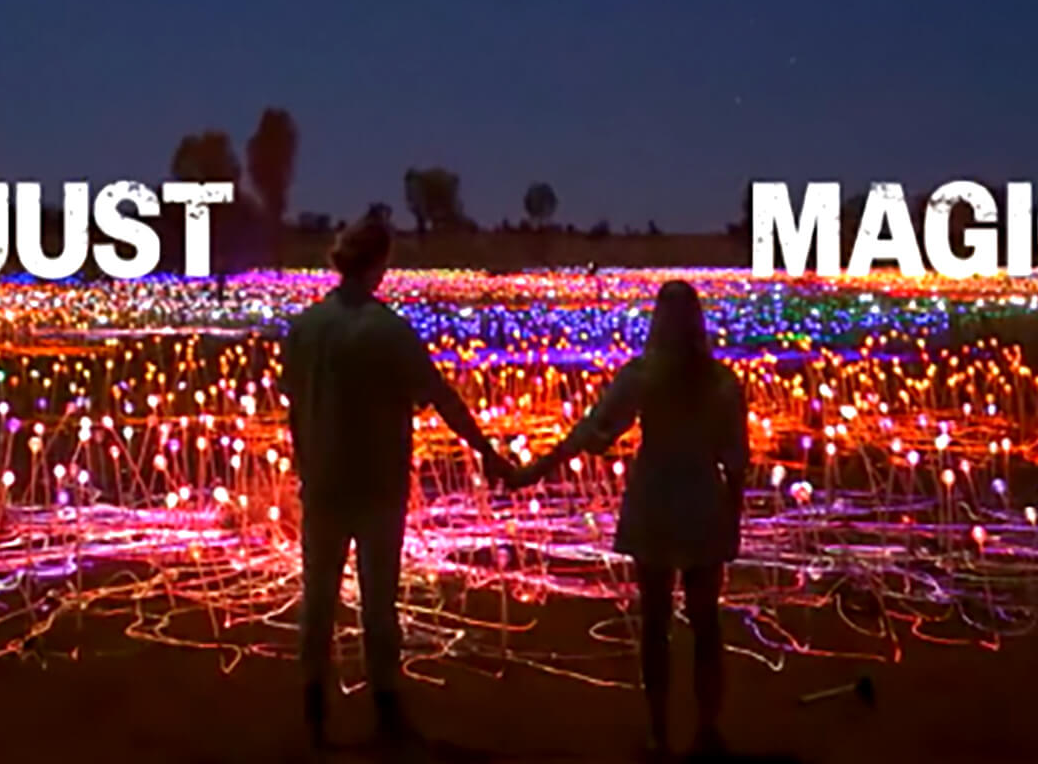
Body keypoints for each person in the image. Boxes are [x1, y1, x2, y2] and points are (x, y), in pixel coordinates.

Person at [280, 216, 514, 749]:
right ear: (379, 264)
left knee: (317, 599)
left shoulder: (305, 328)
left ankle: (313, 707)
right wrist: (488, 455)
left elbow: (294, 400)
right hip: (377, 483)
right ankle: (386, 710)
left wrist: (307, 462)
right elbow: (441, 396)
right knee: (379, 603)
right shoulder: (387, 330)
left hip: (322, 481)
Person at [508, 280, 747, 756]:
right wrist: (732, 517)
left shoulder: (642, 375)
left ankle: (659, 731)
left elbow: (594, 430)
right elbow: (736, 459)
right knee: (705, 623)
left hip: (656, 500)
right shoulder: (721, 383)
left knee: (655, 623)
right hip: (701, 502)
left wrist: (538, 467)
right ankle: (706, 729)